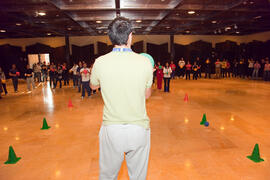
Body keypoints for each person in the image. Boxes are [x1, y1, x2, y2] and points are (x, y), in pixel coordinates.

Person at [90, 16, 152, 180]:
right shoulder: (145, 62)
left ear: (110, 38)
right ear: (131, 35)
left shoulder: (100, 62)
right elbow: (147, 95)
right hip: (138, 128)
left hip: (112, 128)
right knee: (138, 176)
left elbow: (93, 86)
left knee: (108, 175)